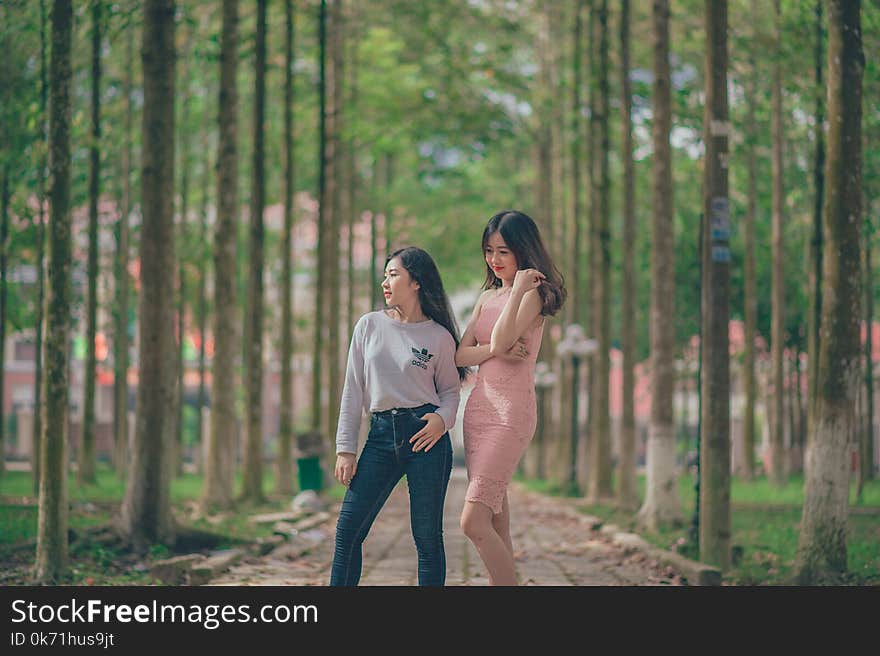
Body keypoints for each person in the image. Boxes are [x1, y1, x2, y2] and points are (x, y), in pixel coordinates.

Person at [330, 246, 466, 586]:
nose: (385, 283)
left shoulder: (439, 336)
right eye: (385, 275)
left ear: (416, 281)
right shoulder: (369, 325)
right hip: (379, 438)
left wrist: (442, 419)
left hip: (426, 437)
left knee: (427, 538)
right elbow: (353, 389)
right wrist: (345, 448)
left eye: (393, 274)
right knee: (348, 531)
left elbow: (450, 390)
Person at [455, 210, 566, 585]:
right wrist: (494, 349)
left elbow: (503, 342)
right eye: (489, 251)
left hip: (510, 414)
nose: (494, 260)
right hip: (478, 411)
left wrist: (517, 291)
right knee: (496, 520)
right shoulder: (486, 297)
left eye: (503, 251)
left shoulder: (533, 294)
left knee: (473, 521)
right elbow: (460, 355)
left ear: (523, 250)